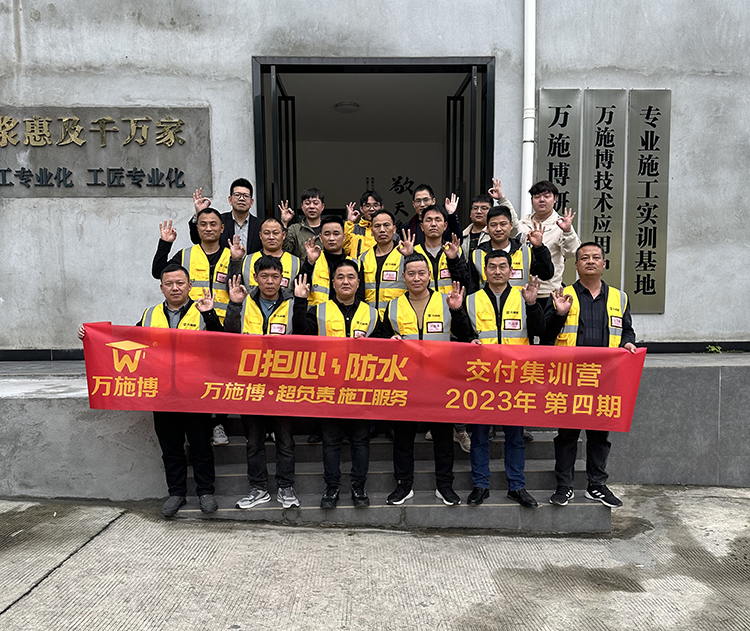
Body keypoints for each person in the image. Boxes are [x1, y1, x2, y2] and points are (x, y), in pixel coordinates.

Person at [78, 264, 222, 518]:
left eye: (180, 283)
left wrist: (210, 315)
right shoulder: (149, 314)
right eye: (169, 284)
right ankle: (176, 493)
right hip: (162, 393)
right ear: (161, 288)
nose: (175, 288)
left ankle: (205, 492)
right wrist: (92, 336)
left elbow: (224, 344)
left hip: (195, 392)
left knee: (201, 445)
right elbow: (127, 341)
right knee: (171, 447)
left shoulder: (203, 311)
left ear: (190, 286)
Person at [543, 242, 637, 508]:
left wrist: (628, 343)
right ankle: (564, 486)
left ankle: (596, 485)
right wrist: (559, 314)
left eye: (596, 257)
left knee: (599, 435)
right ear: (576, 265)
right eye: (584, 258)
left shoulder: (619, 297)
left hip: (605, 378)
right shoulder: (563, 294)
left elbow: (627, 330)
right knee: (567, 435)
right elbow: (546, 335)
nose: (590, 261)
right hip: (570, 378)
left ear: (604, 264)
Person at [379, 253, 471, 506]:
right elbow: (382, 341)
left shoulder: (446, 301)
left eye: (422, 273)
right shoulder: (393, 306)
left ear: (430, 275)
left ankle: (445, 486)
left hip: (440, 381)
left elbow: (465, 336)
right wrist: (388, 341)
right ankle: (403, 485)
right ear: (403, 277)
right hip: (405, 382)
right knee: (403, 438)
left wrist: (457, 311)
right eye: (411, 273)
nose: (417, 278)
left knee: (443, 437)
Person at [292, 260, 379, 509]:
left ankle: (359, 487)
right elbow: (301, 334)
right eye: (340, 277)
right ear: (333, 283)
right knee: (330, 441)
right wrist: (300, 301)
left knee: (360, 440)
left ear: (358, 283)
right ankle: (331, 488)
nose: (345, 282)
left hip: (361, 389)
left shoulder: (372, 314)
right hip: (328, 388)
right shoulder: (319, 311)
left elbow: (384, 349)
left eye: (351, 277)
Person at [464, 250, 546, 508]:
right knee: (479, 436)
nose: (497, 271)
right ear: (484, 271)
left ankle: (517, 486)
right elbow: (463, 335)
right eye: (492, 266)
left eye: (502, 266)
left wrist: (532, 305)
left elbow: (541, 331)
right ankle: (480, 485)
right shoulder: (471, 300)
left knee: (515, 437)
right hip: (481, 378)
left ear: (511, 271)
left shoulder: (524, 296)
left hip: (515, 378)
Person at [224, 257, 300, 510]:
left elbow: (304, 336)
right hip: (250, 383)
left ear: (282, 279)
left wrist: (301, 302)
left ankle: (286, 487)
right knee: (254, 441)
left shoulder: (293, 303)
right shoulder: (243, 301)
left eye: (275, 276)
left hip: (283, 383)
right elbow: (228, 335)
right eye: (264, 276)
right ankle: (258, 489)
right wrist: (234, 305)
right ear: (255, 278)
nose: (269, 281)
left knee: (285, 439)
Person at [413, 204, 472, 452]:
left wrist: (455, 259)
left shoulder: (454, 249)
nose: (434, 224)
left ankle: (459, 428)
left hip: (452, 319)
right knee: (425, 376)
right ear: (421, 225)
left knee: (453, 377)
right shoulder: (412, 251)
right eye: (429, 220)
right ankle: (433, 422)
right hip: (422, 320)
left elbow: (466, 281)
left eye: (438, 219)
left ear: (445, 225)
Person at [516, 180, 580, 310]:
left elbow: (572, 252)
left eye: (546, 196)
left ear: (555, 199)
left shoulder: (561, 224)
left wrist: (568, 231)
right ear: (532, 200)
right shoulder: (523, 223)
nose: (541, 200)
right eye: (537, 197)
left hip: (548, 292)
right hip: (522, 291)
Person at [468, 206, 554, 293]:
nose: (498, 229)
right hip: (486, 302)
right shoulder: (477, 255)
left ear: (511, 225)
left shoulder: (525, 252)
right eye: (493, 225)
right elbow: (472, 288)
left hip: (519, 301)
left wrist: (539, 248)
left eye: (503, 224)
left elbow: (546, 274)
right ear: (487, 228)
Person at [358, 209, 412, 318]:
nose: (382, 230)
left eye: (386, 225)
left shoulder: (406, 254)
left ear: (394, 229)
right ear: (372, 231)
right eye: (377, 226)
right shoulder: (363, 258)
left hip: (400, 318)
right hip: (370, 319)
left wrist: (410, 257)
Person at [300, 215, 364, 307]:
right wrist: (309, 263)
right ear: (321, 238)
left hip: (346, 314)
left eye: (336, 234)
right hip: (318, 314)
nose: (331, 238)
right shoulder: (313, 260)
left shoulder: (356, 264)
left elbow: (360, 296)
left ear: (344, 237)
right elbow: (299, 288)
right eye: (327, 234)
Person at [228, 217, 301, 293]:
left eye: (275, 233)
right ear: (260, 235)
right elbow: (233, 287)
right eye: (266, 233)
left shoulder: (296, 263)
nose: (271, 237)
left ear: (283, 235)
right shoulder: (247, 260)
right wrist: (235, 260)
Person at [190, 178, 262, 253]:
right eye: (237, 195)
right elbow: (196, 239)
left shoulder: (260, 225)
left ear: (251, 202)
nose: (241, 199)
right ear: (230, 200)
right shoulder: (219, 221)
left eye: (246, 196)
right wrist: (199, 213)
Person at [461, 178, 519, 256]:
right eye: (475, 208)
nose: (479, 211)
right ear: (470, 213)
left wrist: (501, 199)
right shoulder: (462, 235)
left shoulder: (497, 232)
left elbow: (514, 227)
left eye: (484, 208)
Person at [281, 187, 325, 259]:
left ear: (322, 206)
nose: (311, 206)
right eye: (307, 203)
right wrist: (284, 222)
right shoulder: (294, 229)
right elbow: (284, 251)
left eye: (316, 203)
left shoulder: (329, 228)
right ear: (302, 206)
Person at [344, 189, 387, 258]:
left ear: (382, 207)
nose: (372, 209)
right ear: (361, 208)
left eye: (375, 205)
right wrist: (349, 222)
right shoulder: (353, 229)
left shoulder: (387, 230)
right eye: (367, 205)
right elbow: (344, 249)